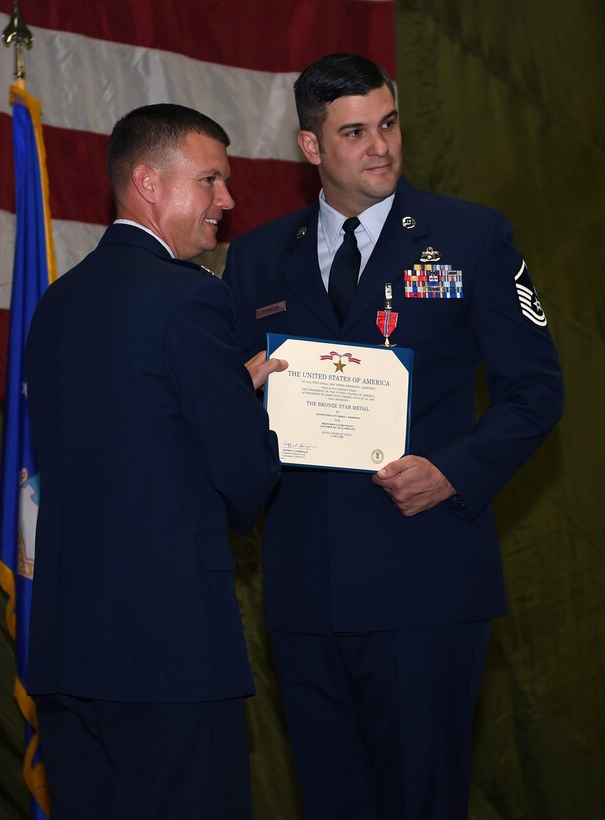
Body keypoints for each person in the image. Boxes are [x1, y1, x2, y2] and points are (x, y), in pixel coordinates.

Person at [222, 54, 563, 820]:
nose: (380, 145)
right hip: (307, 589)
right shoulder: (254, 257)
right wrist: (235, 392)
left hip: (424, 578)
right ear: (311, 147)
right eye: (353, 132)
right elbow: (232, 420)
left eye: (389, 122)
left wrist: (451, 471)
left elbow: (536, 390)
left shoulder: (471, 238)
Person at [25, 104, 286, 820]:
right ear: (147, 183)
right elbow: (243, 480)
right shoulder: (193, 300)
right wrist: (251, 400)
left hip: (65, 650)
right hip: (169, 653)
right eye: (210, 181)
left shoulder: (55, 305)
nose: (227, 202)